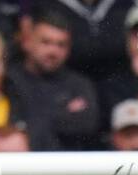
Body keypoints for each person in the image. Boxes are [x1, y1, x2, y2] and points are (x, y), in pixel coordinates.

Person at [6, 8, 98, 151]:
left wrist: (34, 119)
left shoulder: (79, 84)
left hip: (68, 167)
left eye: (61, 44)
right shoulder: (8, 80)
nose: (53, 51)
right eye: (46, 42)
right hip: (20, 166)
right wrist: (62, 113)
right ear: (27, 42)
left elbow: (87, 125)